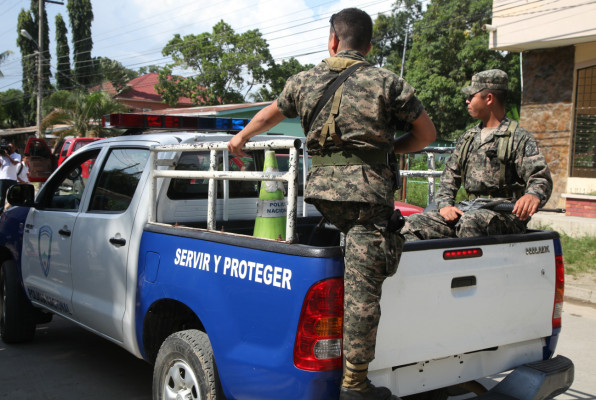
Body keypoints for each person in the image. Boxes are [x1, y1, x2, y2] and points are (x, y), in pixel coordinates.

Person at [228, 8, 436, 400]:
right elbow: (426, 134)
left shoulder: (303, 80)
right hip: (366, 201)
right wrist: (392, 149)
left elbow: (271, 114)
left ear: (332, 40)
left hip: (322, 195)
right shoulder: (388, 82)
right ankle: (355, 384)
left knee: (347, 260)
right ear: (369, 45)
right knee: (362, 293)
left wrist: (240, 138)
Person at [401, 69, 553, 241]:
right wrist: (445, 205)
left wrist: (532, 195)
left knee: (471, 222)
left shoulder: (519, 138)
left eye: (471, 96)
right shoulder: (469, 138)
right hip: (469, 210)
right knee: (412, 223)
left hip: (505, 215)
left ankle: (468, 268)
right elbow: (449, 178)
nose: (467, 101)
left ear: (489, 99)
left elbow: (541, 177)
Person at [0, 143, 22, 212]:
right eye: (8, 147)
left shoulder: (17, 155)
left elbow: (14, 163)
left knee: (13, 197)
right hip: (2, 178)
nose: (9, 148)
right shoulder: (2, 155)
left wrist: (7, 155)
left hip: (12, 179)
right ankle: (1, 212)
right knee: (1, 197)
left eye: (11, 147)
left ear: (14, 148)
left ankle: (13, 211)